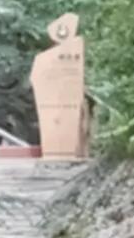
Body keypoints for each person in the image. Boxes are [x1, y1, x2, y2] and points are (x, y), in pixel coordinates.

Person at [29, 13, 90, 162]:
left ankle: (67, 149)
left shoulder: (76, 47)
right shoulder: (45, 59)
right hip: (49, 107)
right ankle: (57, 150)